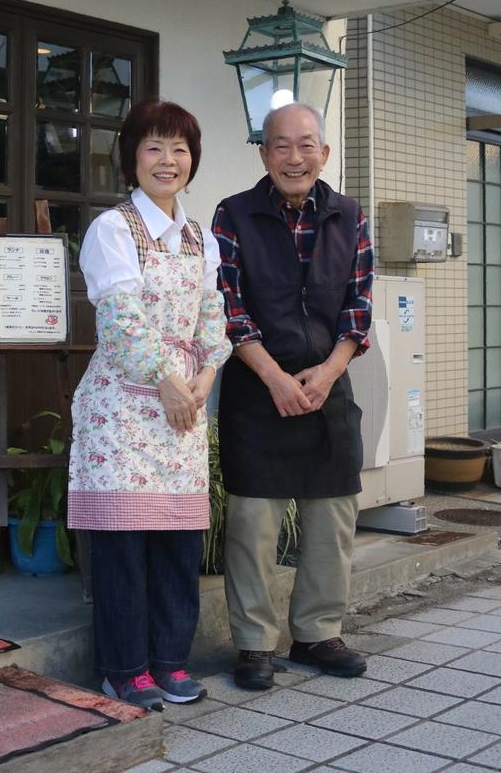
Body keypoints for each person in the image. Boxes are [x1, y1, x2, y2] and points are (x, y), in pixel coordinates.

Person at [68, 99, 231, 711]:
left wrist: (206, 376)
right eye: (154, 148)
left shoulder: (199, 238)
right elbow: (122, 322)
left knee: (176, 545)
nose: (169, 161)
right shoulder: (113, 229)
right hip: (125, 409)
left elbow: (213, 317)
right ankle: (124, 669)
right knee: (123, 545)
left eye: (181, 149)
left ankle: (169, 661)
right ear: (131, 158)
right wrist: (168, 380)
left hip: (184, 406)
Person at [212, 102, 373, 690]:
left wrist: (328, 371)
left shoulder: (350, 216)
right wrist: (274, 376)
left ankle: (317, 634)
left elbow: (359, 305)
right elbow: (226, 305)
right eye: (281, 145)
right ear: (263, 154)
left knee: (332, 515)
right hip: (257, 388)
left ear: (324, 153)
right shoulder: (233, 215)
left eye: (306, 144)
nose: (294, 157)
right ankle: (254, 645)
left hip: (328, 385)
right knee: (253, 521)